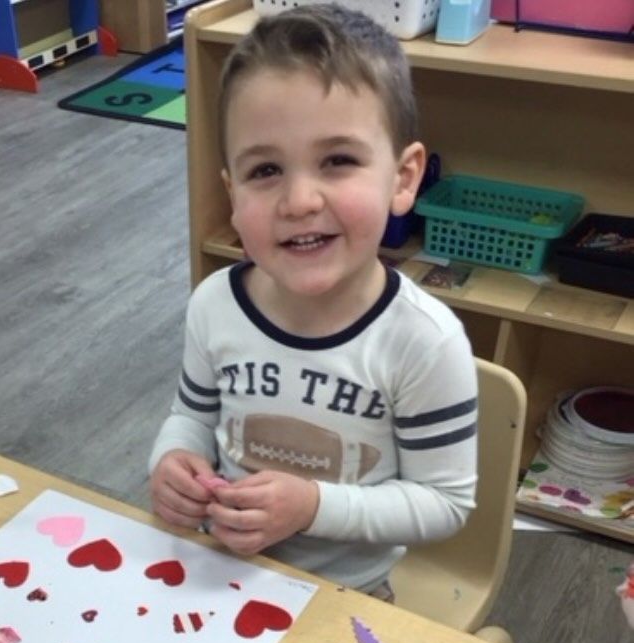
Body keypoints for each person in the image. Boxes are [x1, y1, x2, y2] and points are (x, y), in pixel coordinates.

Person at [149, 3, 478, 598]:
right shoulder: (215, 304)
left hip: (348, 595)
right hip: (218, 571)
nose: (299, 199)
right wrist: (171, 461)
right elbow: (192, 418)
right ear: (231, 193)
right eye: (265, 170)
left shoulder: (424, 342)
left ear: (403, 179)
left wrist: (312, 507)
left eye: (338, 161)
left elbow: (443, 503)